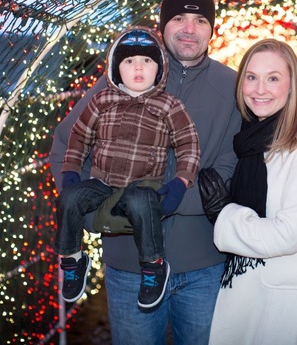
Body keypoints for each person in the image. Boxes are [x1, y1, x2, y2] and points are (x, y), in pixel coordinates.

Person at [49, 0, 241, 344]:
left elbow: (231, 171)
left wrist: (164, 203)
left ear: (213, 28)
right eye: (179, 18)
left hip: (204, 265)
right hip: (128, 264)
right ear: (162, 23)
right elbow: (65, 146)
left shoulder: (230, 89)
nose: (189, 29)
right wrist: (93, 211)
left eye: (200, 20)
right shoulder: (122, 78)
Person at [199, 38, 297, 344]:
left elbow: (287, 235)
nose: (259, 89)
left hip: (285, 293)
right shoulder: (245, 137)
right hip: (243, 281)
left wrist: (224, 213)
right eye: (251, 77)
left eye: (273, 78)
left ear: (292, 85)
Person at [54, 25, 201, 309]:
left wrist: (181, 181)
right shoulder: (102, 100)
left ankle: (153, 265)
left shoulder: (169, 105)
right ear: (115, 67)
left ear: (159, 68)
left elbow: (188, 144)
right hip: (102, 182)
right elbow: (79, 137)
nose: (138, 67)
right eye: (129, 61)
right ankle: (73, 258)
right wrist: (71, 170)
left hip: (143, 183)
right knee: (69, 198)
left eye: (147, 61)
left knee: (142, 204)